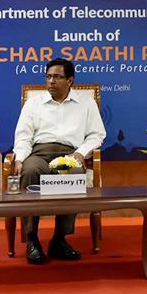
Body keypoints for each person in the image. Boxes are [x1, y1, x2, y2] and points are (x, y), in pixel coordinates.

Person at [13, 58, 106, 264]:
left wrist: (81, 153)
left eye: (57, 77)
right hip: (39, 153)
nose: (51, 81)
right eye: (48, 77)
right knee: (29, 171)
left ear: (70, 80)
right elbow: (24, 136)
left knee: (73, 174)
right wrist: (20, 158)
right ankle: (32, 239)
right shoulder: (34, 103)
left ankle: (59, 240)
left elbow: (97, 134)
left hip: (69, 154)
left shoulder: (86, 103)